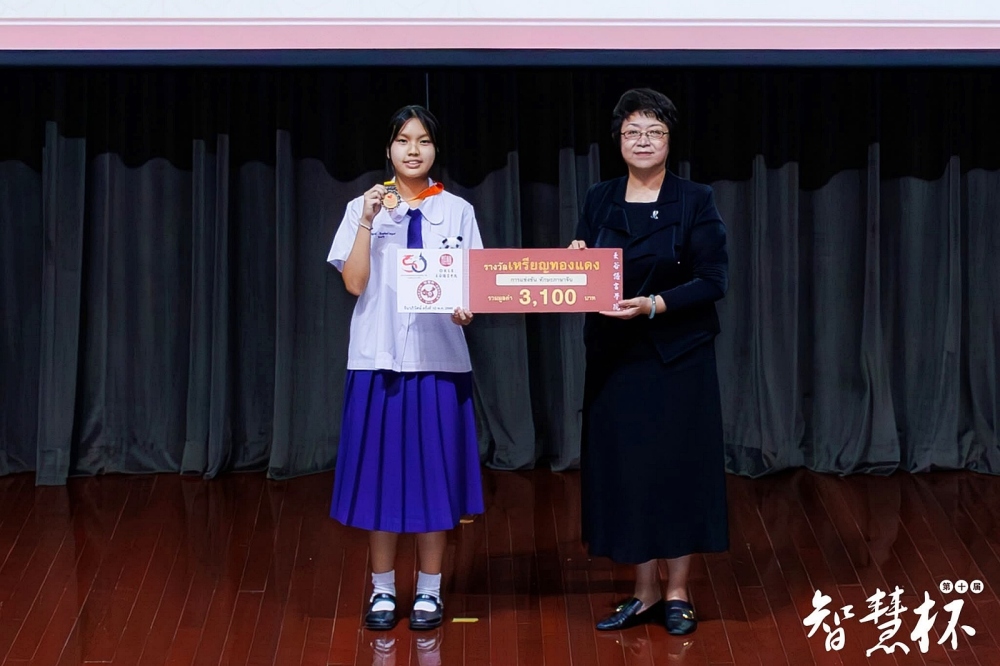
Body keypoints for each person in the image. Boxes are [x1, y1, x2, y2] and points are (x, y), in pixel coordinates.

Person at [568, 88, 729, 635]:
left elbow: (713, 280)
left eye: (654, 132)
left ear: (669, 140)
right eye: (632, 132)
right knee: (628, 473)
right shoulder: (599, 197)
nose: (643, 141)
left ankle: (678, 591)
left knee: (677, 470)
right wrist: (575, 261)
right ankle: (642, 592)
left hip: (677, 356)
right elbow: (587, 268)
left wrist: (654, 304)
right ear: (618, 140)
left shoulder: (695, 198)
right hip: (615, 358)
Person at [327, 105, 484, 632]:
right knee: (380, 477)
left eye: (423, 141)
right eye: (403, 140)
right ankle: (383, 589)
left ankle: (430, 590)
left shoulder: (457, 210)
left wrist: (467, 308)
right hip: (378, 360)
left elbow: (474, 288)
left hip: (438, 361)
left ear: (436, 150)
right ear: (389, 149)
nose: (413, 150)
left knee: (434, 478)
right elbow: (354, 284)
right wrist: (369, 220)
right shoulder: (362, 207)